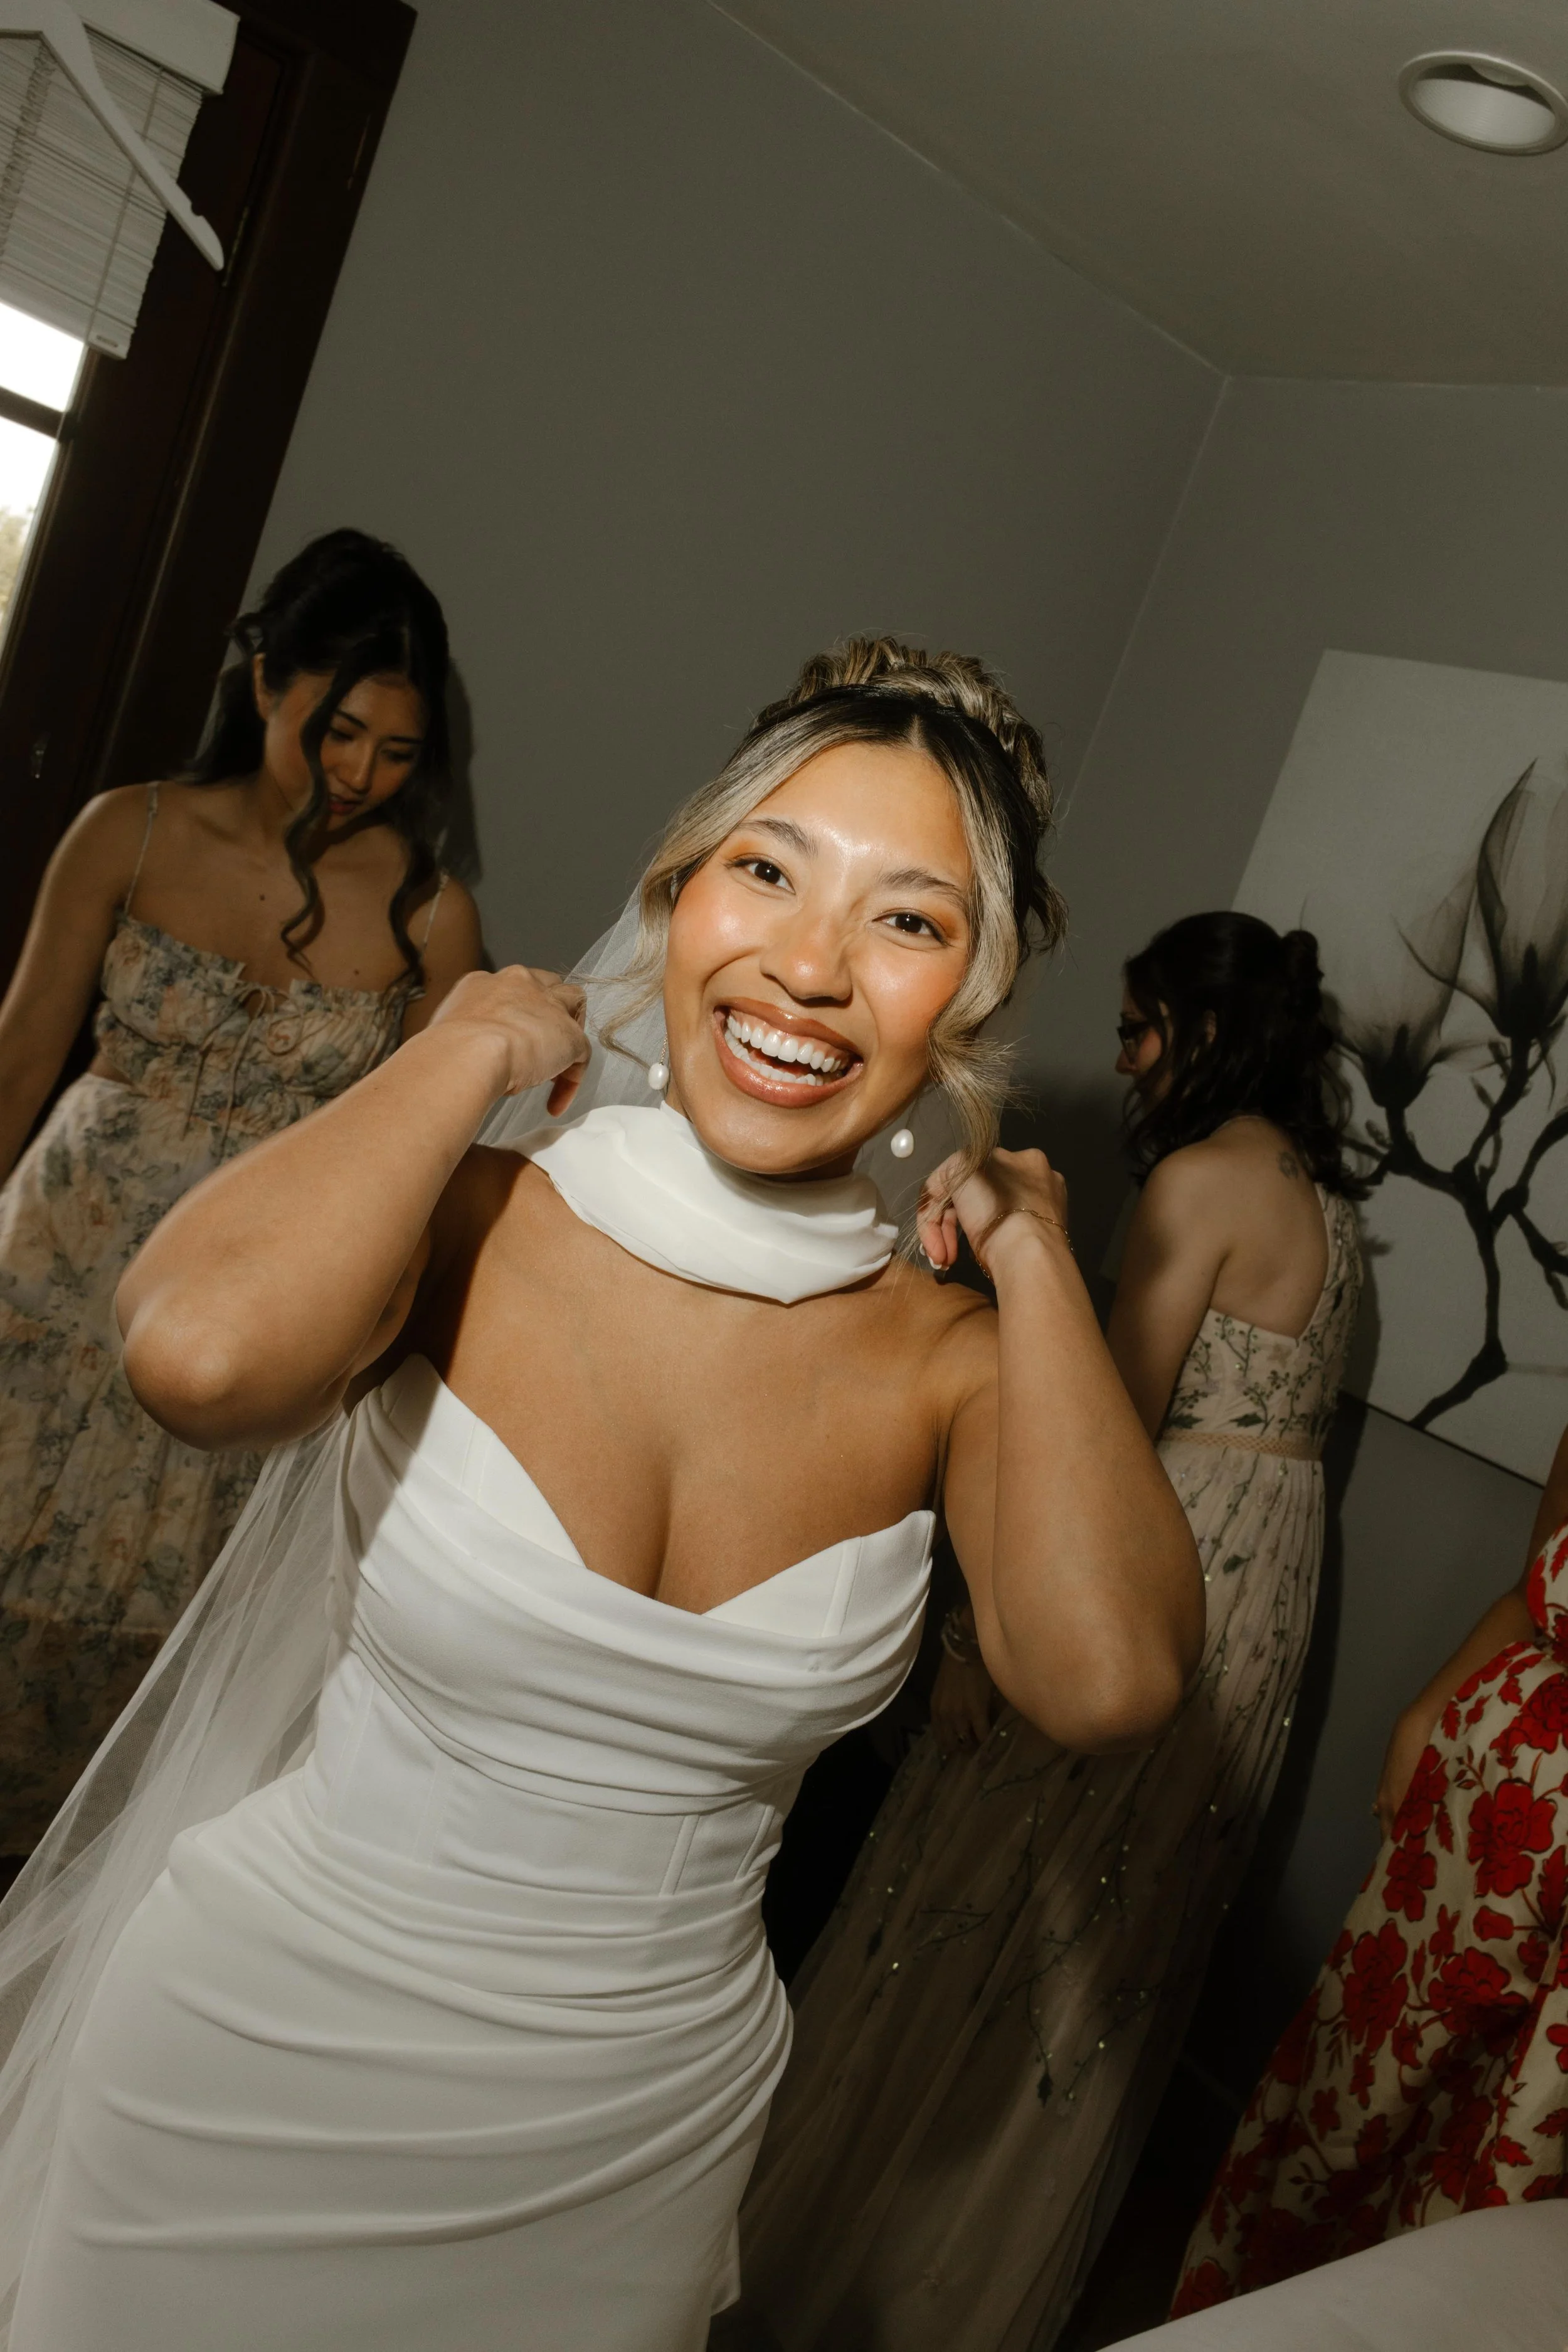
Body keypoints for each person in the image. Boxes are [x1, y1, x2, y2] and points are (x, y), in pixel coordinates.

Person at [0, 638, 1201, 2352]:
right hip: (258, 2054)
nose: (809, 963)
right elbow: (194, 1356)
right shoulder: (475, 1214)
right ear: (672, 900)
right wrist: (459, 1047)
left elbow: (1110, 1675)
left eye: (908, 919)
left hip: (627, 2138)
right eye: (765, 873)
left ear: (974, 998)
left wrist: (1029, 1254)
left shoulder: (951, 1360)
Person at [734, 910, 1364, 2352]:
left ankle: (854, 2247)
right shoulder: (1314, 1194)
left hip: (1172, 1546)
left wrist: (968, 1640)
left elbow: (1112, 1421)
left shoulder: (1199, 1180)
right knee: (1112, 1934)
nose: (1126, 1060)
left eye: (1141, 1030)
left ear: (1201, 1034)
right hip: (1269, 1570)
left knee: (995, 1887)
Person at [0, 529, 481, 1855]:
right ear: (265, 679)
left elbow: (437, 1171)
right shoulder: (130, 829)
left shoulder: (433, 917)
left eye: (397, 749)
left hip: (250, 1318)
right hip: (47, 1284)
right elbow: (20, 1057)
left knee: (142, 1677)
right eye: (337, 732)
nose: (362, 774)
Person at [1172, 1421, 1568, 2313]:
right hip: (1489, 1807)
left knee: (1514, 2169)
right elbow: (1532, 1582)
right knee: (1358, 2100)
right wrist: (1425, 1712)